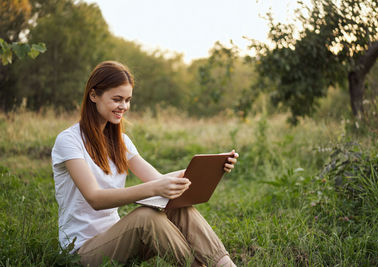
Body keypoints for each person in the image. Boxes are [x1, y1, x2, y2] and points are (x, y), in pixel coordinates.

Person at [51, 61, 239, 267]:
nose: (124, 106)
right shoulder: (69, 141)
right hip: (82, 252)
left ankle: (224, 265)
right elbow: (95, 198)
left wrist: (211, 164)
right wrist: (154, 188)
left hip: (118, 240)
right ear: (94, 95)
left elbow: (158, 180)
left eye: (128, 100)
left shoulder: (120, 141)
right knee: (145, 218)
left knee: (177, 205)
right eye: (117, 99)